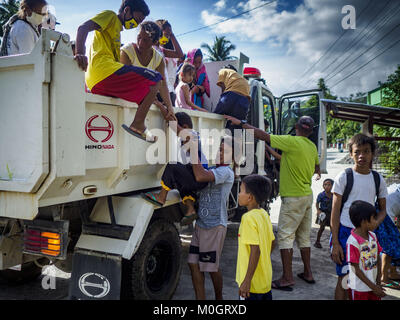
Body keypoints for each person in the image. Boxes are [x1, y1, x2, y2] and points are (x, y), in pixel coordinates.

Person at [224, 115, 321, 291]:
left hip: (292, 198)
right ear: (311, 131)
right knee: (304, 237)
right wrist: (269, 150)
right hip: (307, 196)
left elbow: (263, 134)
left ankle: (287, 278)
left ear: (296, 127)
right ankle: (308, 273)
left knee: (285, 238)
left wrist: (242, 123)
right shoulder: (311, 147)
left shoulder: (292, 141)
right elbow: (312, 166)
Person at [74, 0, 174, 143]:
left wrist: (167, 107)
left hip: (99, 80)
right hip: (104, 71)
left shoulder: (117, 30)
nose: (135, 23)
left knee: (147, 91)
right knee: (156, 78)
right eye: (136, 19)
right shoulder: (110, 16)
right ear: (127, 10)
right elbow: (83, 28)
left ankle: (139, 123)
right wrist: (80, 52)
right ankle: (138, 124)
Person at [330, 133, 387, 300]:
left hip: (368, 236)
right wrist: (335, 242)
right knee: (344, 279)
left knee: (366, 276)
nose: (362, 156)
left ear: (372, 154)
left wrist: (376, 222)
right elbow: (334, 211)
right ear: (351, 154)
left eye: (366, 151)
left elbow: (383, 209)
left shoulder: (377, 179)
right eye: (357, 152)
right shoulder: (344, 177)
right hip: (345, 234)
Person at [187, 136, 236, 300]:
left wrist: (194, 150)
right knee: (193, 264)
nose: (220, 153)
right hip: (201, 224)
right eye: (219, 149)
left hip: (215, 226)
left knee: (210, 267)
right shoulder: (212, 169)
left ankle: (219, 299)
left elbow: (200, 176)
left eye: (225, 151)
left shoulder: (225, 172)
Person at [142, 111, 209, 225]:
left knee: (172, 166)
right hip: (197, 177)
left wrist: (162, 107)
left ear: (185, 127)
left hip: (199, 177)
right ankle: (190, 210)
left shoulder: (191, 134)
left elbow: (175, 126)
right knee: (181, 183)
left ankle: (161, 197)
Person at [120, 21, 174, 116]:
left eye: (145, 40)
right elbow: (126, 80)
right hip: (125, 96)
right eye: (139, 37)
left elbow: (163, 84)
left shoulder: (158, 59)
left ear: (155, 42)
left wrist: (170, 107)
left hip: (144, 98)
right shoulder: (127, 51)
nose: (140, 43)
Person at [236, 174, 276, 300]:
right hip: (264, 280)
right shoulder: (264, 214)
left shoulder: (248, 218)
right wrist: (263, 258)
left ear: (250, 197)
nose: (238, 194)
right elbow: (272, 242)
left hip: (251, 285)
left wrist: (247, 281)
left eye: (241, 191)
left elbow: (255, 250)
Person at [346, 200, 386, 300]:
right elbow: (355, 268)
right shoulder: (352, 242)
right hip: (359, 288)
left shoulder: (373, 236)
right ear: (364, 222)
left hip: (373, 287)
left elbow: (377, 258)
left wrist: (378, 283)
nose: (376, 221)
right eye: (374, 218)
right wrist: (374, 287)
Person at [214, 65, 250, 132]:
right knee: (235, 124)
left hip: (231, 95)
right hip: (245, 100)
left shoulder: (222, 71)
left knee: (216, 117)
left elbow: (223, 87)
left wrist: (221, 100)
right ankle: (232, 141)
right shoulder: (241, 78)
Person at [155, 19, 184, 105]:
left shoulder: (162, 50)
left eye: (168, 36)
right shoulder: (151, 49)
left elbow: (179, 54)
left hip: (169, 91)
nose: (166, 38)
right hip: (157, 92)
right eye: (165, 34)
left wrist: (172, 35)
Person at [377, 186, 400, 289]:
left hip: (382, 213)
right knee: (389, 247)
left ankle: (392, 272)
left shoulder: (395, 187)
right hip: (385, 216)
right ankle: (384, 278)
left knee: (394, 244)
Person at [314, 178, 334, 249]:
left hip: (332, 214)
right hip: (323, 214)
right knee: (322, 228)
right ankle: (317, 241)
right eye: (325, 185)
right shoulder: (321, 195)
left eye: (329, 185)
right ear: (323, 186)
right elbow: (317, 203)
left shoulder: (334, 195)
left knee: (333, 228)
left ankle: (333, 243)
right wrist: (318, 210)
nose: (327, 186)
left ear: (333, 186)